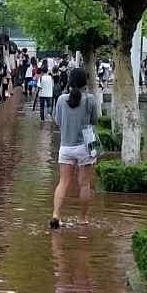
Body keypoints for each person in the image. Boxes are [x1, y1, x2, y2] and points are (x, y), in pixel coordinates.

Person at [50, 67, 100, 228]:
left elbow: (57, 121)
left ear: (70, 81)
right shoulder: (90, 99)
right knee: (84, 184)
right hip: (85, 147)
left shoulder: (61, 99)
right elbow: (94, 121)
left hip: (65, 147)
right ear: (85, 82)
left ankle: (56, 214)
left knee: (63, 182)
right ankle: (83, 219)